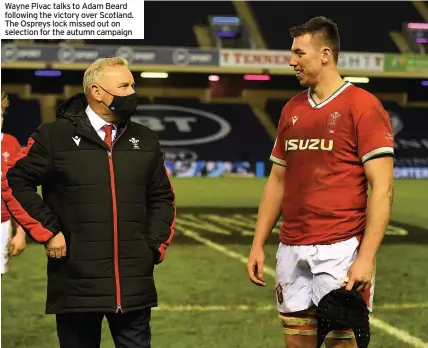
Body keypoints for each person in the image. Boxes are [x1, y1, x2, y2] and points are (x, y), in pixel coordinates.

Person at [1, 57, 176, 348]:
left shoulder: (145, 139)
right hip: (75, 282)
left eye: (132, 84)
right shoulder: (53, 137)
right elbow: (14, 181)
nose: (133, 91)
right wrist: (49, 231)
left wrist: (153, 246)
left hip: (135, 283)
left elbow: (162, 197)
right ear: (97, 92)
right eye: (124, 85)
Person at [246, 16, 394, 348]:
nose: (291, 61)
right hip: (291, 248)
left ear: (325, 54)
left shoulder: (363, 106)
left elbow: (383, 188)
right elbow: (277, 180)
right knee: (296, 342)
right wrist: (258, 243)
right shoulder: (291, 110)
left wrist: (366, 257)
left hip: (341, 248)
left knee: (341, 344)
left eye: (299, 53)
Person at [1, 92, 26, 275]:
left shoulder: (11, 144)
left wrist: (21, 232)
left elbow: (20, 192)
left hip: (2, 224)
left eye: (1, 115)